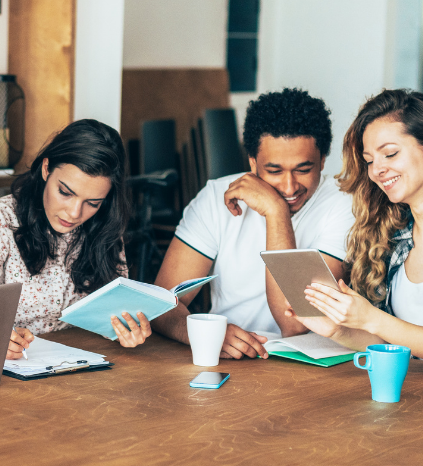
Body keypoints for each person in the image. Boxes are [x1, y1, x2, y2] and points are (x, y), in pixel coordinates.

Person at [151, 88, 354, 359]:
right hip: (228, 358)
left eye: (303, 170)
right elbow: (161, 303)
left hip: (310, 367)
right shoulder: (215, 197)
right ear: (252, 162)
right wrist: (201, 333)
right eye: (274, 171)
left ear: (323, 161)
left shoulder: (344, 204)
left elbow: (295, 323)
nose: (289, 185)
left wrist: (276, 212)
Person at [0, 119, 151, 359]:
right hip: (14, 370)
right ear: (46, 169)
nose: (74, 213)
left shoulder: (105, 226)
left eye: (92, 203)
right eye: (65, 192)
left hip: (83, 365)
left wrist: (126, 330)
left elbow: (112, 311)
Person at [297, 89, 423, 356]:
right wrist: (339, 329)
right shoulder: (394, 235)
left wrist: (371, 318)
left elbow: (381, 324)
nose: (377, 170)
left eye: (389, 154)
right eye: (369, 161)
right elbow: (397, 349)